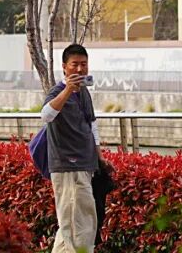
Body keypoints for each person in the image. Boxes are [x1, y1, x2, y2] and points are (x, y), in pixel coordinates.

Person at [40, 44, 107, 253]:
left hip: (85, 165)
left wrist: (99, 157)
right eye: (74, 64)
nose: (80, 69)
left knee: (75, 225)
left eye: (84, 64)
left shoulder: (84, 92)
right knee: (78, 225)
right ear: (64, 67)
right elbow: (46, 115)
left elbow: (92, 124)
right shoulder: (58, 91)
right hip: (68, 167)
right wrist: (68, 90)